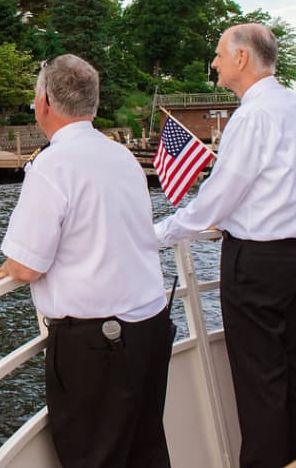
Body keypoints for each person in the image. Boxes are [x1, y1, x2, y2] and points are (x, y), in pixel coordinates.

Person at [0, 54, 173, 468]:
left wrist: (9, 267)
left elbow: (26, 266)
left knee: (96, 458)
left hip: (97, 344)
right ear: (91, 106)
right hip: (149, 326)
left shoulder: (51, 166)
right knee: (146, 451)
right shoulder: (123, 158)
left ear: (44, 103)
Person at [154, 23, 296, 468]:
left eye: (218, 54)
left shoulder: (252, 116)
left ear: (241, 58)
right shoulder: (292, 104)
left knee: (261, 379)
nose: (213, 63)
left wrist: (160, 234)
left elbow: (219, 197)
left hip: (259, 265)